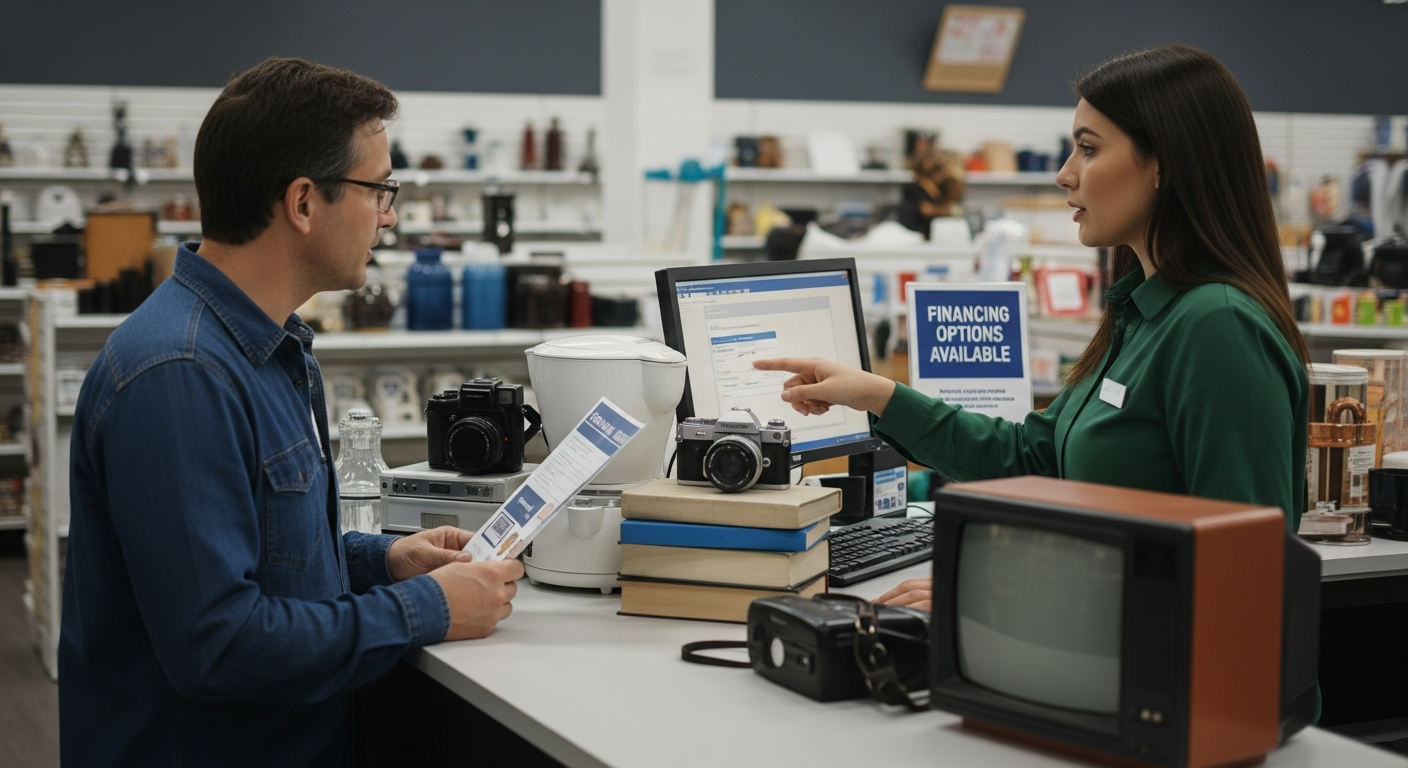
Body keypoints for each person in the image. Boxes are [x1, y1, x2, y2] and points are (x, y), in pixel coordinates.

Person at [59, 58, 523, 766]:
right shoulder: (180, 375)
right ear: (304, 203)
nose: (390, 215)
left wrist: (382, 561)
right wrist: (431, 608)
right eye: (379, 189)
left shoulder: (270, 347)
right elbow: (219, 644)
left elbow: (260, 557)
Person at [756, 45, 1310, 612]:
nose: (1065, 173)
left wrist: (994, 590)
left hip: (1172, 688)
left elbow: (1243, 572)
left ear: (1165, 164)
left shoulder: (1218, 328)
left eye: (1089, 149)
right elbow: (1035, 458)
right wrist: (877, 395)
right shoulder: (1142, 315)